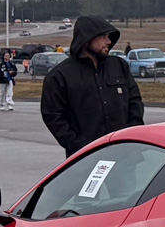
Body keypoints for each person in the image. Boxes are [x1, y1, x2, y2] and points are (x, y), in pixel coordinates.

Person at [40, 16, 145, 156]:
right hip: (86, 159)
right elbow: (53, 117)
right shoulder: (59, 76)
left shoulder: (119, 66)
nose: (108, 41)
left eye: (109, 37)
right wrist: (79, 145)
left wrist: (130, 135)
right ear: (86, 39)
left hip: (126, 154)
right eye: (103, 37)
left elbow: (135, 103)